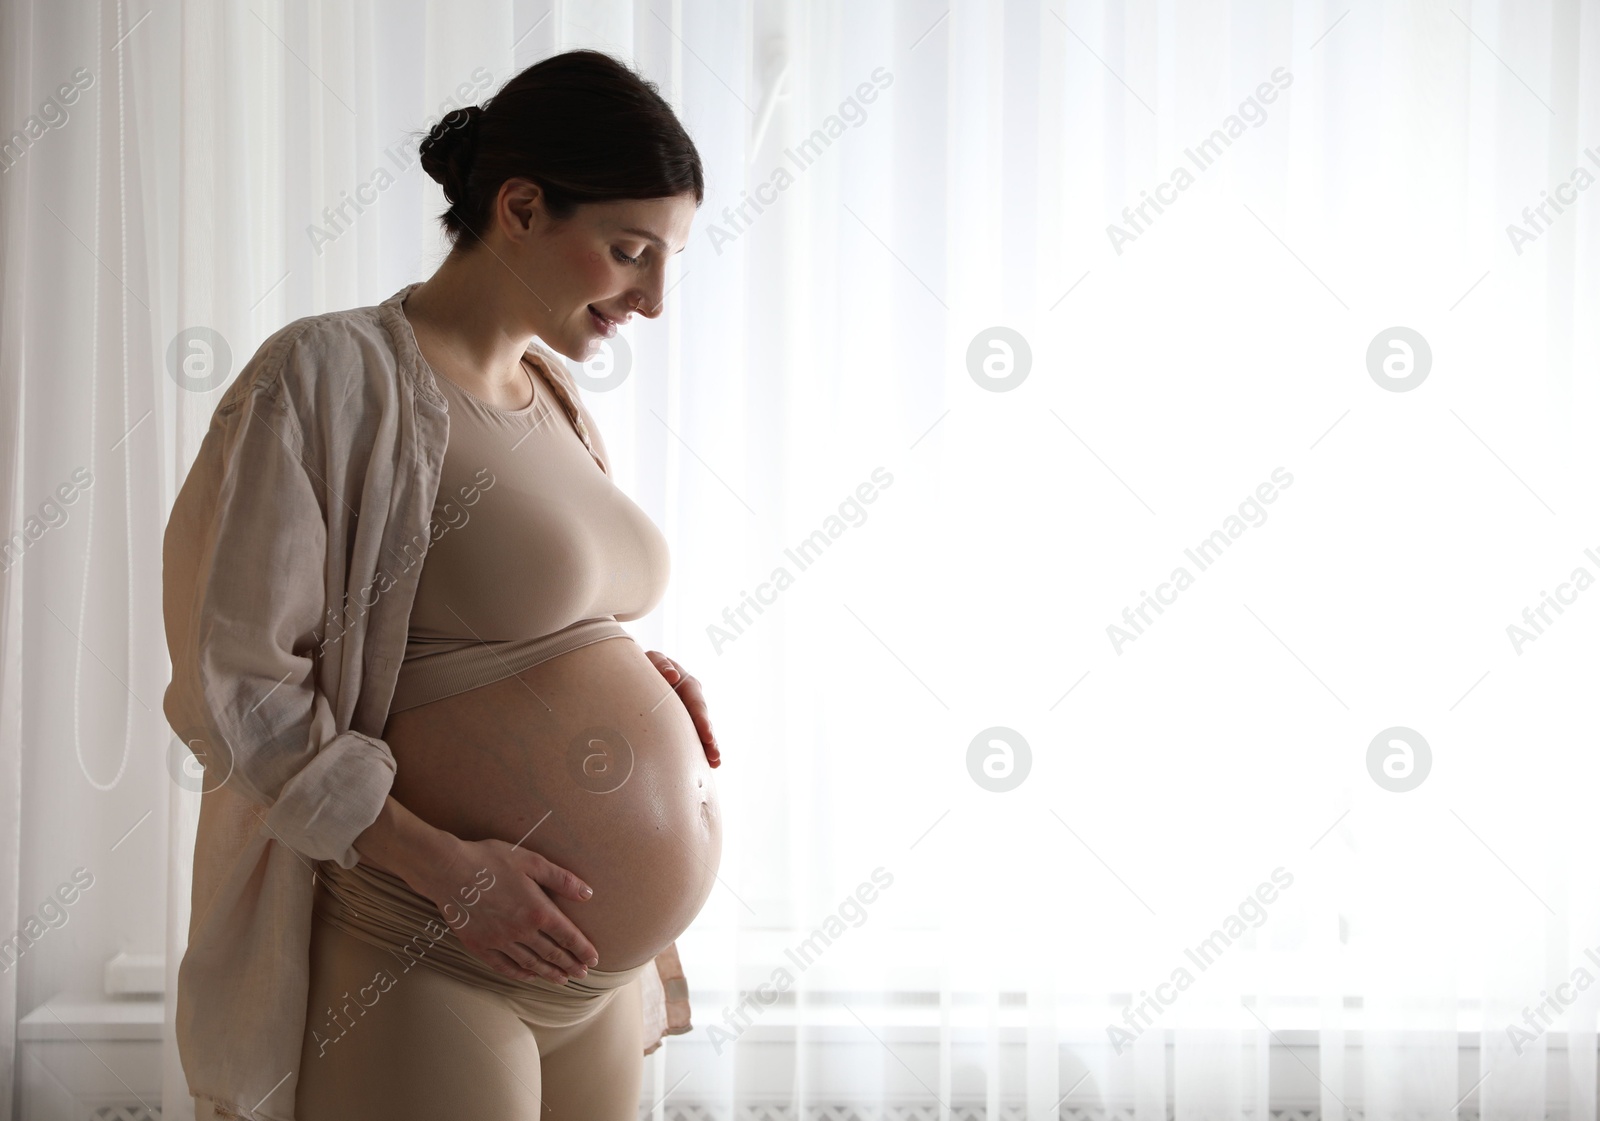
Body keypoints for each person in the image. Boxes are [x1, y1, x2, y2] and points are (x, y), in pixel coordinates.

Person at [161, 49, 722, 1121]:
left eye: (669, 261)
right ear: (519, 206)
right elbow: (233, 686)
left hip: (592, 975)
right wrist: (449, 867)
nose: (652, 299)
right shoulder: (326, 377)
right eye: (629, 251)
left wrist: (628, 673)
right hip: (426, 945)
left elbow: (475, 630)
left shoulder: (552, 396)